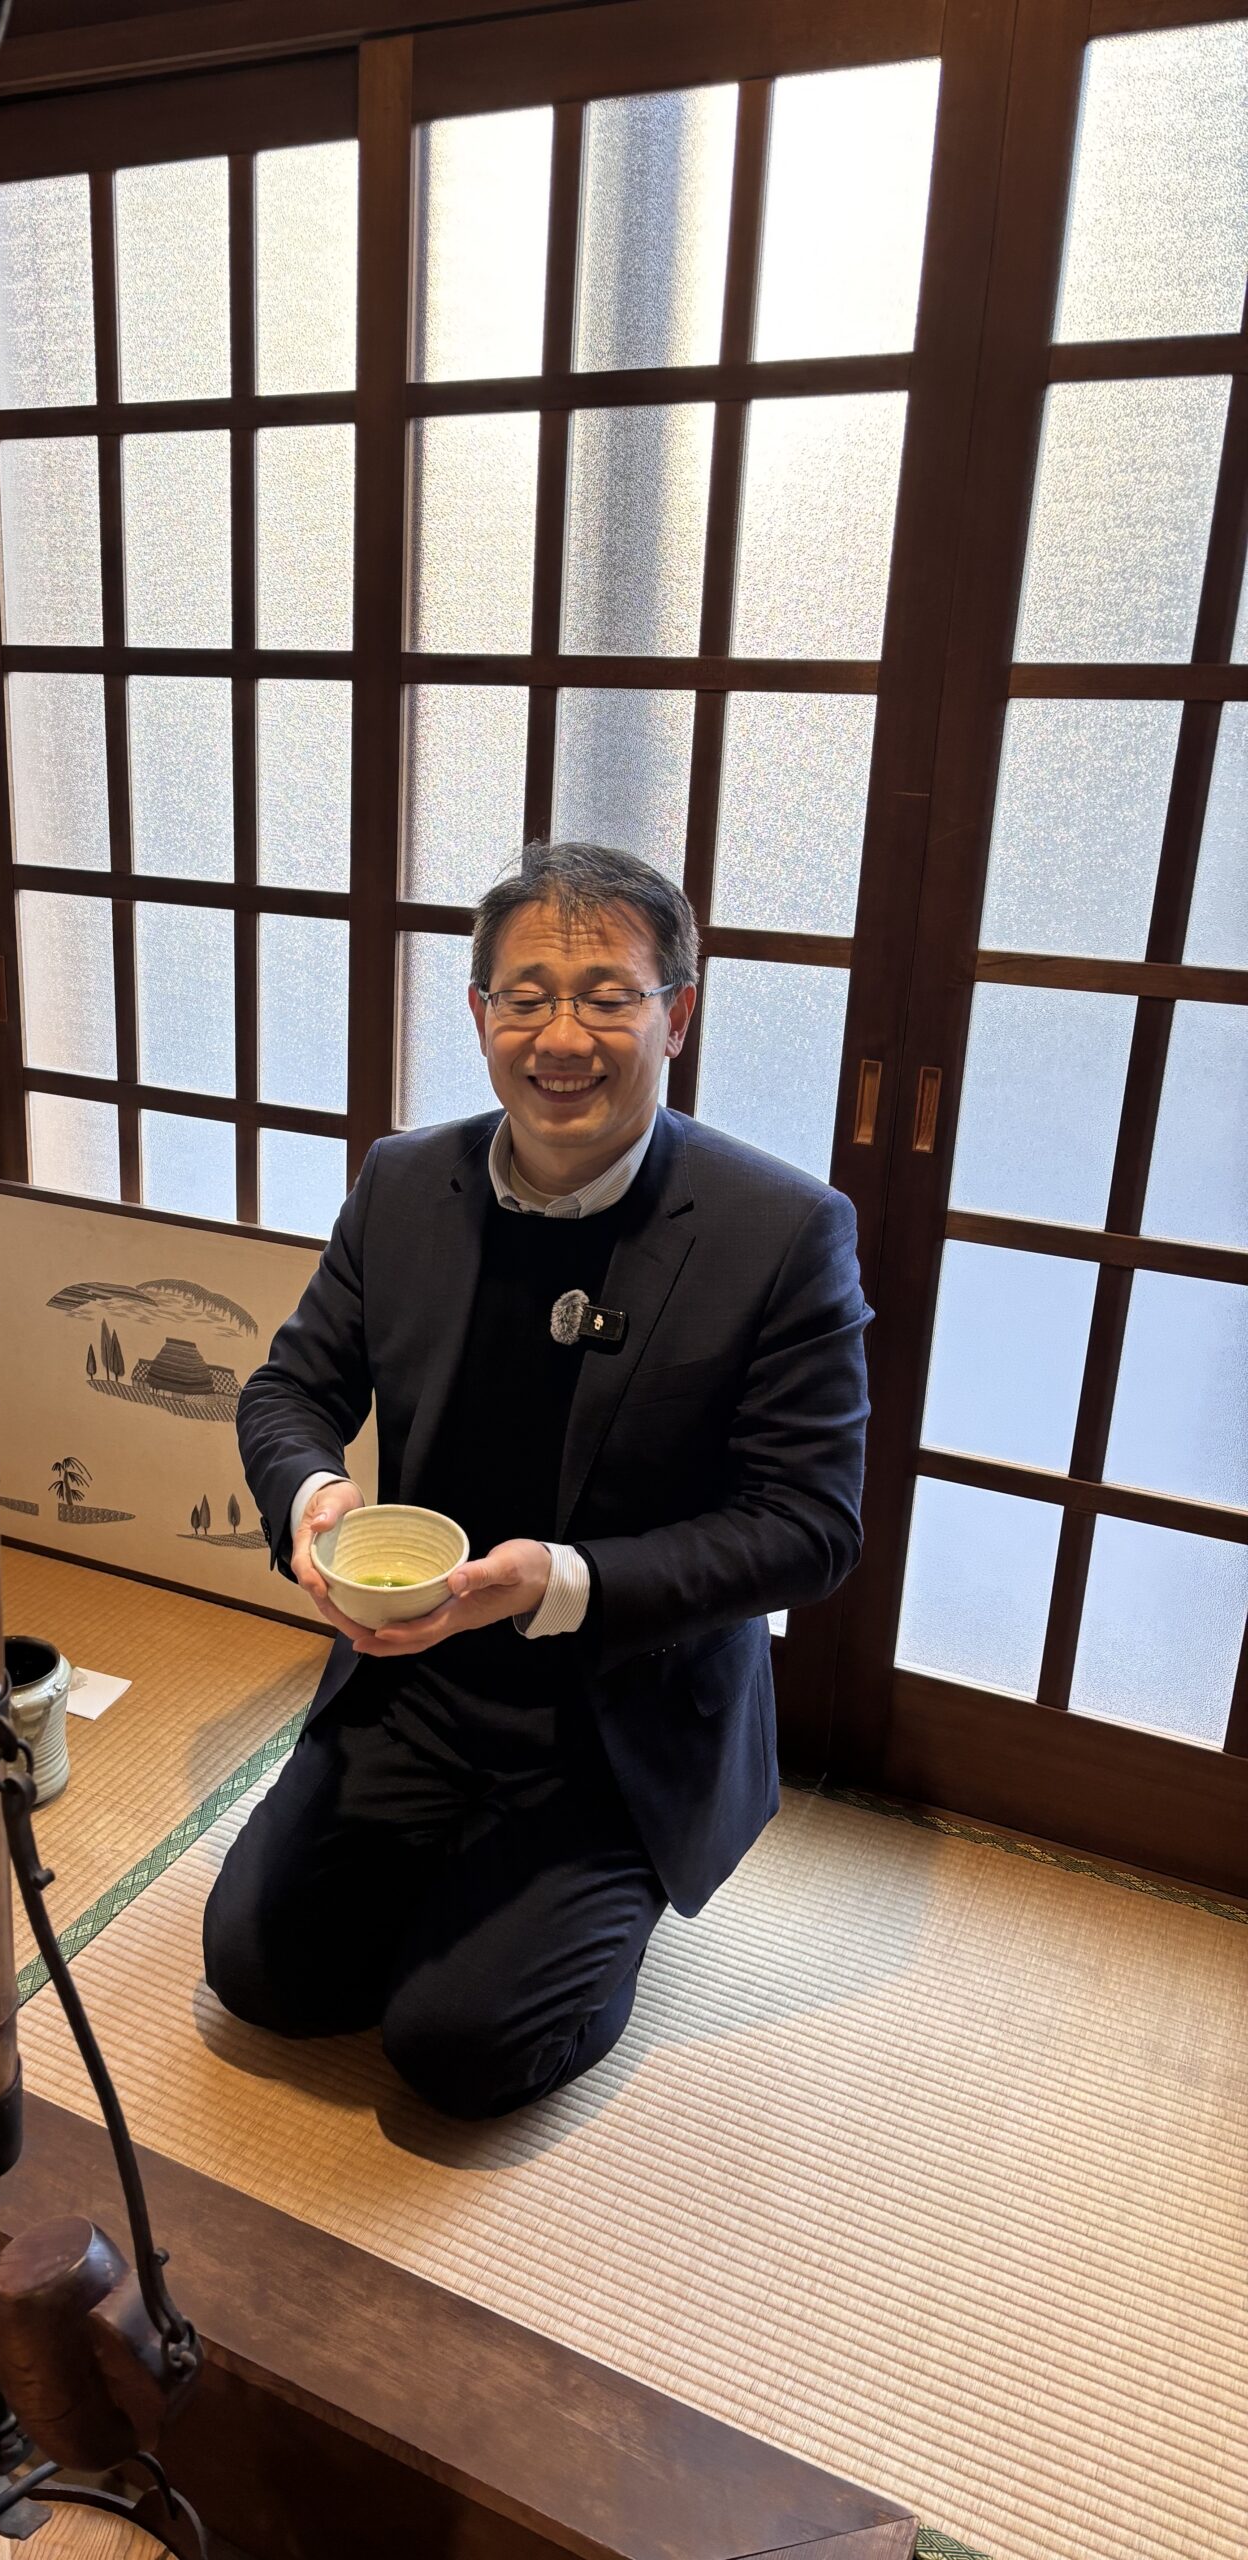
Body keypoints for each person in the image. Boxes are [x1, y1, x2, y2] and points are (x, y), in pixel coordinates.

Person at [201, 842, 871, 2120]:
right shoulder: (406, 1181)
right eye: (527, 995)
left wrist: (558, 1582)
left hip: (619, 1715)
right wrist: (310, 1505)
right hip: (417, 1678)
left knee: (460, 2048)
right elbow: (290, 1393)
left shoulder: (780, 1231)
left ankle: (594, 1896)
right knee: (264, 1975)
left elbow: (812, 1525)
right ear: (479, 1014)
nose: (563, 1034)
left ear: (677, 1010)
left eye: (608, 995)